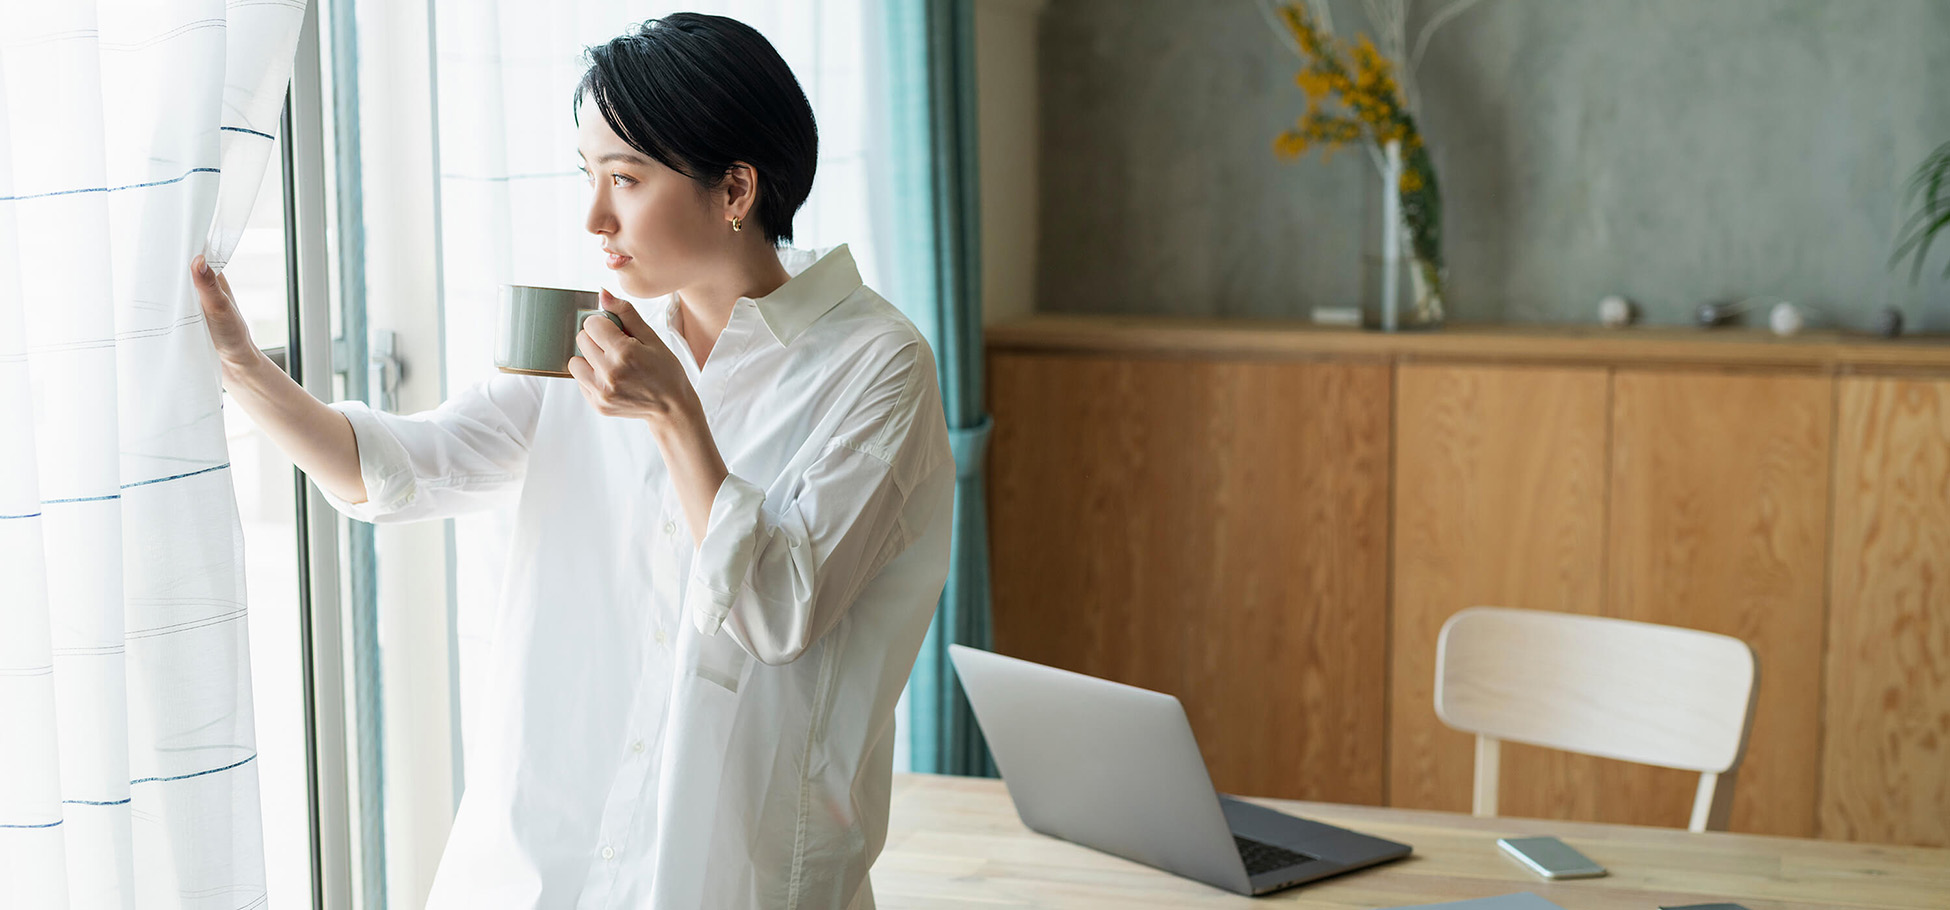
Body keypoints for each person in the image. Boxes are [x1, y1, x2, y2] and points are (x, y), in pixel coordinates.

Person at [191, 13, 954, 909]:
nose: (594, 217)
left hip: (733, 879)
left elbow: (778, 612)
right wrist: (243, 367)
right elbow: (400, 468)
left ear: (735, 188)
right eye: (587, 175)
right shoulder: (588, 332)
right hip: (542, 867)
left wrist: (675, 414)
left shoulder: (877, 367)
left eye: (624, 179)